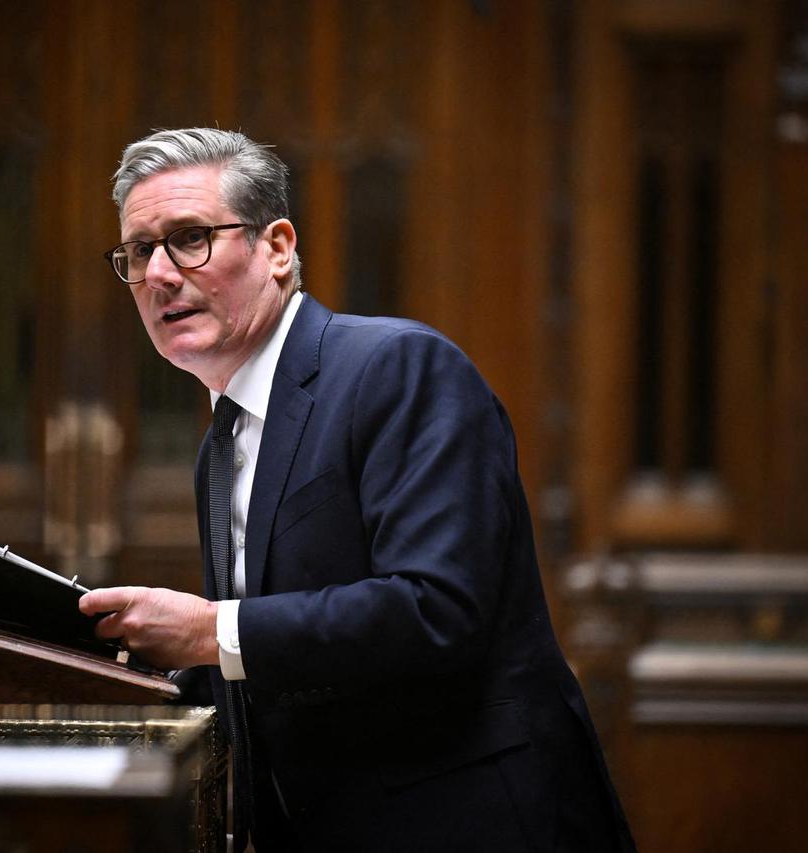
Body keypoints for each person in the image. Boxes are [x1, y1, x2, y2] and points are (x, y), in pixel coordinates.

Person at [80, 128, 635, 852]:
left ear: (277, 247)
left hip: (471, 823)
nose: (158, 274)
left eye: (189, 238)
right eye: (140, 251)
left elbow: (437, 609)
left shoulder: (396, 368)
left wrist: (210, 629)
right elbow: (278, 667)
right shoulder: (220, 446)